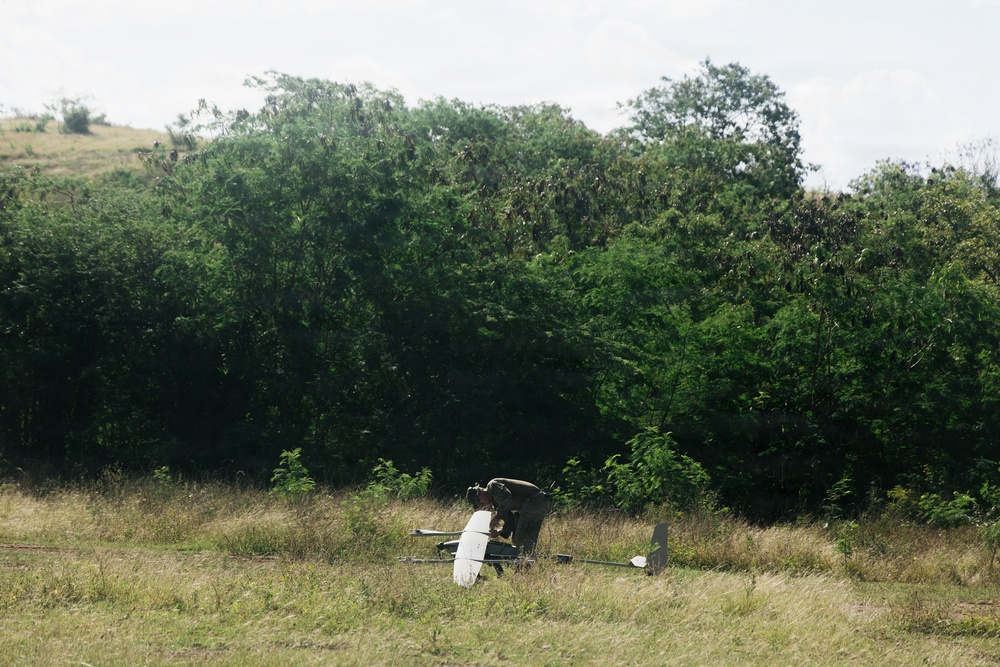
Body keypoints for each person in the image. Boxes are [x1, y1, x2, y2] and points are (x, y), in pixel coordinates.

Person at [466, 478, 551, 557]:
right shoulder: (496, 503)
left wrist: (497, 517)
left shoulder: (492, 486)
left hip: (535, 500)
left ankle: (526, 563)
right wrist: (499, 532)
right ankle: (525, 560)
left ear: (480, 492)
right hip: (529, 504)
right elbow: (510, 520)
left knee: (523, 534)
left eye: (478, 500)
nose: (481, 504)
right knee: (516, 538)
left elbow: (507, 497)